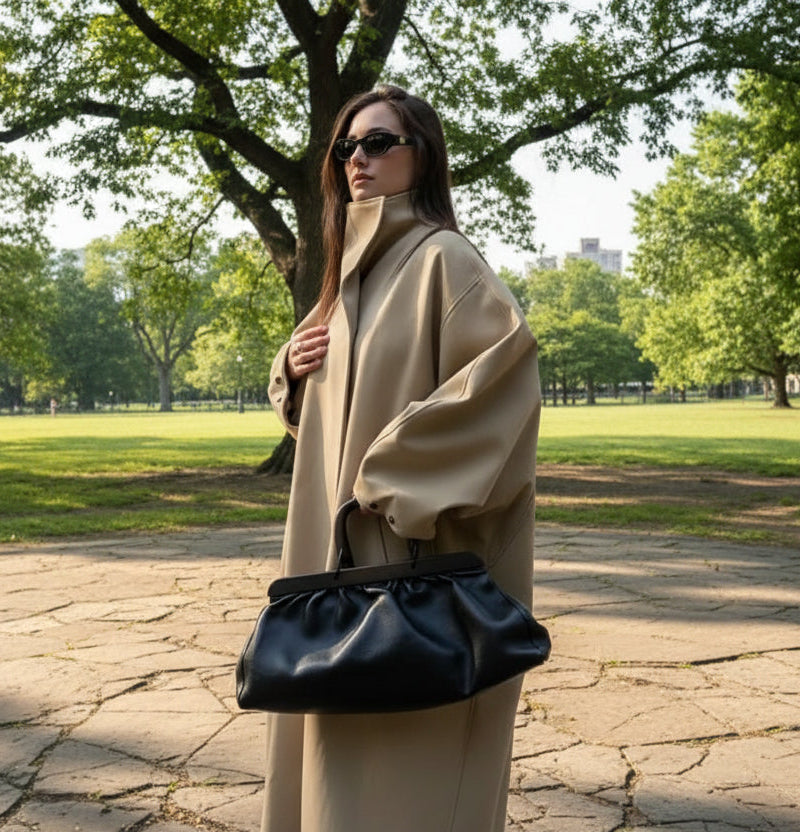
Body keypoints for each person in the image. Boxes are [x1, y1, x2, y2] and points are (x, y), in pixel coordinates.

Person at [264, 84, 542, 832]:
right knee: (331, 745)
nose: (358, 158)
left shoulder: (444, 260)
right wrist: (290, 370)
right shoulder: (346, 275)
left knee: (409, 768)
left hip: (407, 558)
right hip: (335, 556)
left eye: (379, 142)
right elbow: (324, 413)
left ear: (423, 155)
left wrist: (392, 478)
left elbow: (503, 386)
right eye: (346, 147)